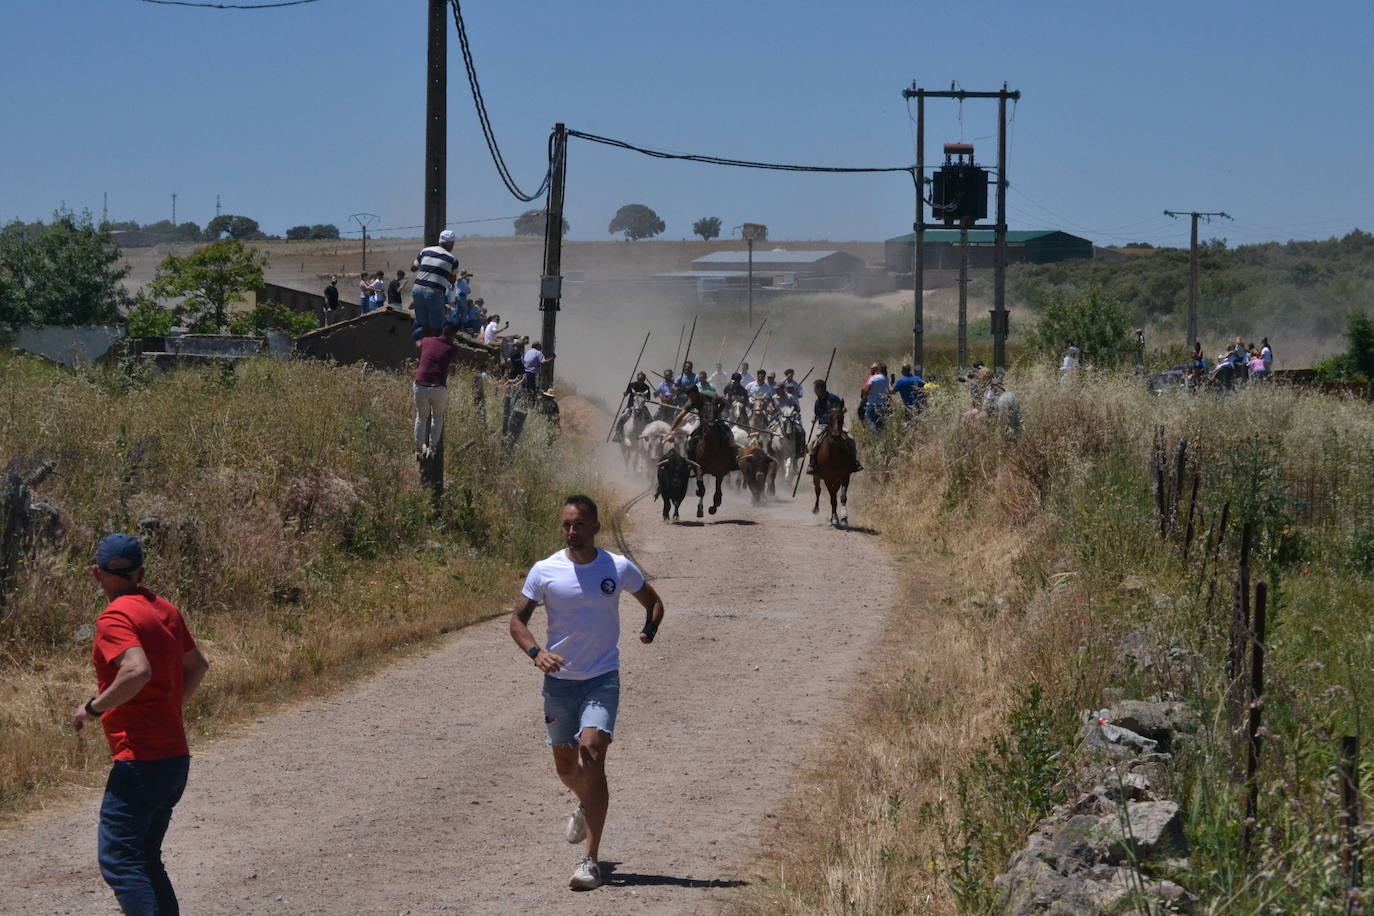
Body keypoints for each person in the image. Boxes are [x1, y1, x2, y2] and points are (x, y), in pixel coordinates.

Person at [508, 495, 664, 892]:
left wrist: (649, 629)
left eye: (578, 524)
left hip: (601, 677)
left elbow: (653, 602)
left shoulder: (617, 567)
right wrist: (536, 652)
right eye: (566, 525)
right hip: (560, 682)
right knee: (566, 767)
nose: (571, 532)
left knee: (591, 756)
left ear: (595, 527)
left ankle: (589, 861)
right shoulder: (545, 571)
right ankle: (584, 801)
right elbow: (517, 621)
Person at [73, 533, 210, 916]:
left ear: (95, 573)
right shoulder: (163, 608)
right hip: (173, 758)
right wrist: (171, 707)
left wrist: (93, 708)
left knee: (120, 859)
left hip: (141, 760)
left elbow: (137, 670)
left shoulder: (115, 617)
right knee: (146, 856)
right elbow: (198, 665)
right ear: (141, 573)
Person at [413, 323, 462, 459]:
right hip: (438, 387)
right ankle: (432, 449)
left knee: (421, 417)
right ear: (453, 336)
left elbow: (418, 343)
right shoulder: (452, 349)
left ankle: (418, 450)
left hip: (420, 384)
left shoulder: (427, 341)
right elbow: (451, 366)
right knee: (437, 417)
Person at [411, 229, 459, 339]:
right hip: (434, 292)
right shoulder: (452, 259)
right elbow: (452, 280)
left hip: (417, 289)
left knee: (425, 325)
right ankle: (435, 350)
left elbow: (413, 268)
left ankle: (424, 350)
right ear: (451, 244)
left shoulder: (425, 251)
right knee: (437, 327)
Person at [806, 379, 861, 475]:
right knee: (812, 444)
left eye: (815, 389)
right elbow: (816, 413)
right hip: (823, 426)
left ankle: (854, 462)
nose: (814, 391)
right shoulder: (817, 402)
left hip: (835, 425)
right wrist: (814, 417)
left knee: (851, 439)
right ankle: (812, 465)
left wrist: (841, 411)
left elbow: (843, 408)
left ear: (820, 389)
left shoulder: (833, 398)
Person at [613, 372, 653, 439]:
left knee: (650, 418)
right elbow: (627, 393)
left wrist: (645, 398)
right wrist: (625, 394)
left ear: (644, 380)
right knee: (623, 416)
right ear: (637, 378)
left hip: (641, 407)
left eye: (642, 380)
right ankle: (618, 432)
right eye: (639, 379)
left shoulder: (647, 387)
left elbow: (648, 398)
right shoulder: (632, 385)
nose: (640, 381)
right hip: (631, 406)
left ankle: (650, 434)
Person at [861, 363, 890, 431]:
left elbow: (867, 389)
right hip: (881, 405)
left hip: (872, 404)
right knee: (880, 425)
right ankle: (880, 439)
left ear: (878, 369)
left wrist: (864, 395)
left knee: (871, 423)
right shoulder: (886, 379)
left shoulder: (873, 378)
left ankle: (872, 439)